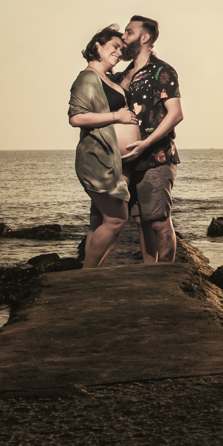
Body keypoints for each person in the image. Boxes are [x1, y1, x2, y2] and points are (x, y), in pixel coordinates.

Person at [68, 25, 140, 268]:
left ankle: (91, 272)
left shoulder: (106, 79)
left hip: (114, 161)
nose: (119, 52)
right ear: (97, 46)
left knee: (98, 221)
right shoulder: (87, 78)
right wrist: (117, 117)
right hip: (97, 159)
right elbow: (76, 118)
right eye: (115, 47)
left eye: (122, 49)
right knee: (117, 219)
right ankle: (89, 271)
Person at [116, 15, 183, 264]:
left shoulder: (162, 71)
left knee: (158, 221)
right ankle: (149, 271)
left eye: (129, 32)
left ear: (145, 38)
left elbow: (176, 114)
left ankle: (166, 278)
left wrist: (146, 143)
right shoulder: (124, 74)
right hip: (128, 161)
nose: (124, 37)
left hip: (156, 157)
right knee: (140, 220)